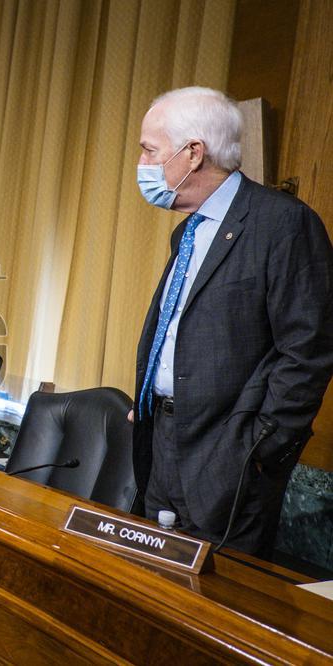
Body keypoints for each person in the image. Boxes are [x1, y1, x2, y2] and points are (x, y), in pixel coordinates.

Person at [130, 87, 333, 558]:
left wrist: (259, 451)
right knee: (154, 590)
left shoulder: (283, 224)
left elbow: (308, 351)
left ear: (193, 153)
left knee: (215, 600)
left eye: (149, 149)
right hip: (162, 442)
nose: (141, 162)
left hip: (231, 457)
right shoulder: (188, 230)